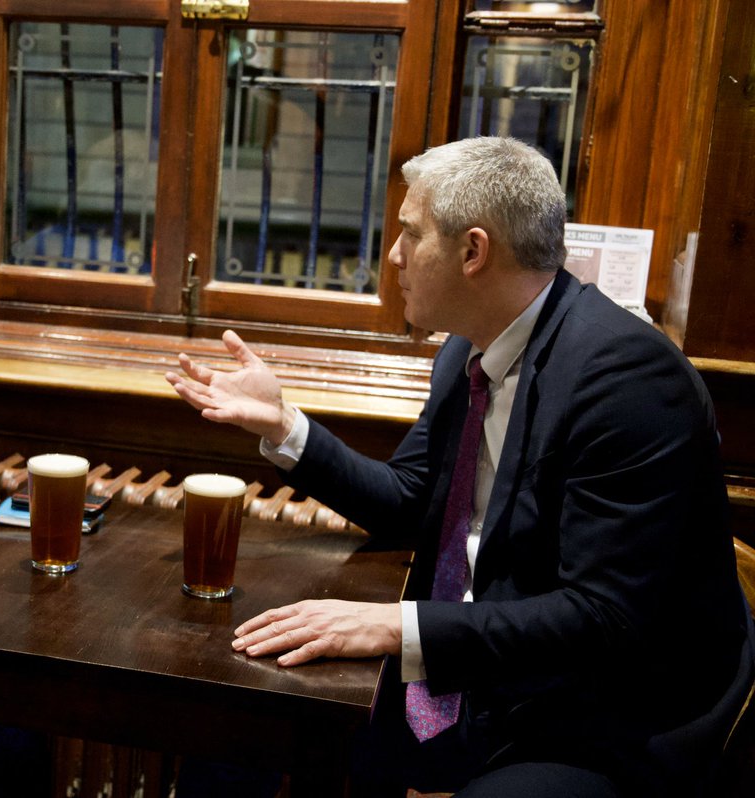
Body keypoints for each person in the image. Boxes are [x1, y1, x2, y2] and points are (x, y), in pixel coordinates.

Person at [167, 137, 755, 797]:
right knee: (236, 719)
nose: (393, 257)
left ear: (473, 251)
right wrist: (282, 425)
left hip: (602, 720)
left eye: (410, 235)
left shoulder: (628, 379)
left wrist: (397, 625)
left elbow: (603, 618)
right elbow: (408, 500)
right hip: (487, 672)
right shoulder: (468, 350)